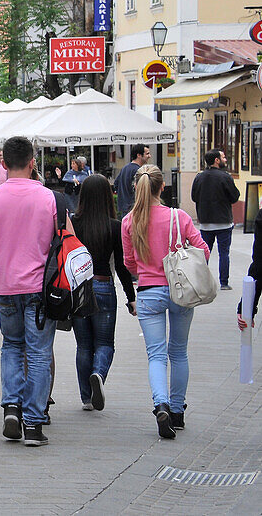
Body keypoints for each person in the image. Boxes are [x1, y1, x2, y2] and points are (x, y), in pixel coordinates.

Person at [0, 136, 65, 447]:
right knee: (38, 353)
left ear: (3, 164)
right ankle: (33, 424)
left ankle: (11, 406)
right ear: (33, 162)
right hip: (41, 289)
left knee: (11, 347)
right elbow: (69, 244)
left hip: (6, 289)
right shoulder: (50, 199)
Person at [122, 165, 209, 438]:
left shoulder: (129, 221)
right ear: (162, 188)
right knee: (179, 351)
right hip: (180, 290)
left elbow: (129, 264)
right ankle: (177, 411)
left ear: (137, 187)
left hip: (148, 293)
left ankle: (159, 404)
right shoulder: (179, 217)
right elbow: (203, 251)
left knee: (156, 355)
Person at [70, 174, 136, 412]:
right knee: (105, 343)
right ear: (109, 197)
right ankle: (98, 373)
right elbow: (121, 266)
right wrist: (131, 297)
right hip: (103, 285)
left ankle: (86, 398)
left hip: (78, 288)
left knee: (83, 345)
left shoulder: (73, 223)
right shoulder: (114, 226)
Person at [191, 148, 239, 290]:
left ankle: (201, 282)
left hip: (205, 222)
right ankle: (224, 282)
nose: (225, 159)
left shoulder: (199, 177)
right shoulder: (225, 177)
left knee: (205, 252)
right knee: (224, 253)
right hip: (224, 221)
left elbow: (194, 197)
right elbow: (235, 196)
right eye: (223, 157)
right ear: (216, 160)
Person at [114, 144, 150, 220]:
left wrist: (123, 196)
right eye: (147, 154)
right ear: (139, 155)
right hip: (134, 209)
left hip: (124, 208)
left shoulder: (125, 168)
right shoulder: (139, 171)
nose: (149, 156)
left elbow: (116, 184)